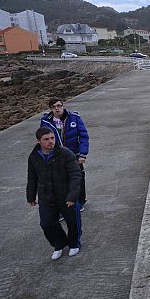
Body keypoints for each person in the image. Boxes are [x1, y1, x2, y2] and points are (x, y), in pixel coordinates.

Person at [26, 127, 82, 260]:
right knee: (46, 223)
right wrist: (31, 196)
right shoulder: (34, 156)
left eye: (52, 138)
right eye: (46, 139)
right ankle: (59, 244)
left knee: (72, 222)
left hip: (66, 195)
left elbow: (76, 175)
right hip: (46, 197)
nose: (51, 141)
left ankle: (74, 243)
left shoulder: (65, 153)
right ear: (38, 141)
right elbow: (32, 177)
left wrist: (72, 196)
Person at [41, 97, 89, 210]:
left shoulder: (74, 118)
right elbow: (43, 139)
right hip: (56, 156)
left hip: (74, 154)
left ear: (63, 105)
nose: (57, 109)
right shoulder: (46, 121)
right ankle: (64, 206)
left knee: (78, 178)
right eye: (53, 107)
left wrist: (83, 154)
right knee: (59, 181)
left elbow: (84, 136)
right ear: (50, 109)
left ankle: (80, 201)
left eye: (59, 105)